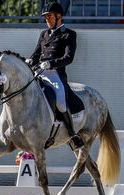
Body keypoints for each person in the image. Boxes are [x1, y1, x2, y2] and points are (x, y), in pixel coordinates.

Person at [25, 2, 83, 150]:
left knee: (61, 102)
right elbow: (37, 53)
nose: (47, 20)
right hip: (39, 72)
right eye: (45, 17)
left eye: (49, 16)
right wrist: (31, 60)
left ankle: (72, 134)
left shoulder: (68, 34)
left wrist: (51, 64)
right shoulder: (44, 34)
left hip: (55, 73)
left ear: (59, 16)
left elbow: (68, 58)